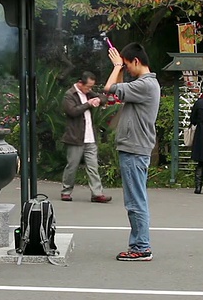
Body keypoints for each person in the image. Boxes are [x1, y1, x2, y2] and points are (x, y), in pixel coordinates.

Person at [104, 42, 160, 262]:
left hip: (135, 149)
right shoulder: (143, 85)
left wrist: (116, 66)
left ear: (136, 61)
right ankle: (140, 245)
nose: (125, 70)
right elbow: (118, 94)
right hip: (135, 148)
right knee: (136, 200)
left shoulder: (145, 85)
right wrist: (119, 68)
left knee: (135, 201)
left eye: (127, 66)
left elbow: (109, 89)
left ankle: (141, 247)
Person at [60, 71, 111, 203]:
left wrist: (98, 99)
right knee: (72, 166)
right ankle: (66, 191)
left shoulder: (89, 92)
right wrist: (88, 104)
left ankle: (97, 193)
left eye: (91, 87)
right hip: (75, 137)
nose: (90, 89)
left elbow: (104, 98)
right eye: (88, 86)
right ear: (80, 83)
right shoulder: (69, 95)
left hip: (90, 137)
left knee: (93, 166)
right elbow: (72, 111)